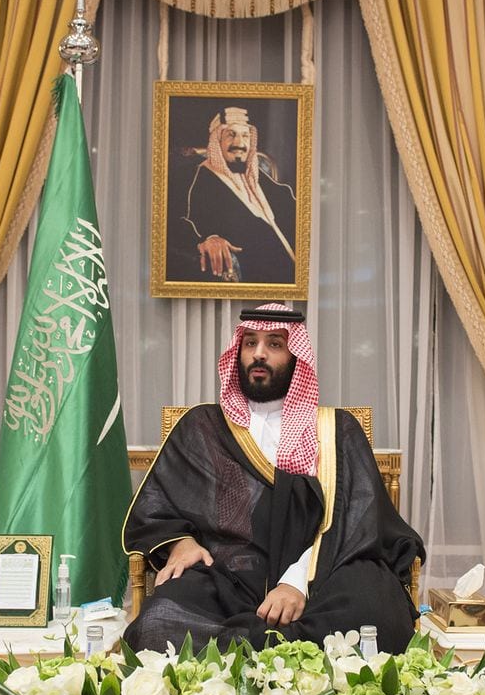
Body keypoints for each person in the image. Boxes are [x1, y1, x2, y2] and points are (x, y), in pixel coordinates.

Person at [123, 304, 424, 654]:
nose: (259, 354)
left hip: (324, 574)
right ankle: (297, 659)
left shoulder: (338, 430)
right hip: (226, 576)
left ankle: (247, 655)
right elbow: (158, 506)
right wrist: (181, 543)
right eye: (250, 343)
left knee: (376, 615)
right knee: (157, 623)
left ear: (296, 355)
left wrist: (297, 583)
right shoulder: (202, 425)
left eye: (274, 344)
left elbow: (360, 522)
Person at [177, 107, 297, 284]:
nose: (239, 143)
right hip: (257, 276)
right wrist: (208, 239)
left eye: (245, 135)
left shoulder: (256, 174)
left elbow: (289, 203)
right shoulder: (199, 177)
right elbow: (179, 220)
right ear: (217, 142)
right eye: (231, 135)